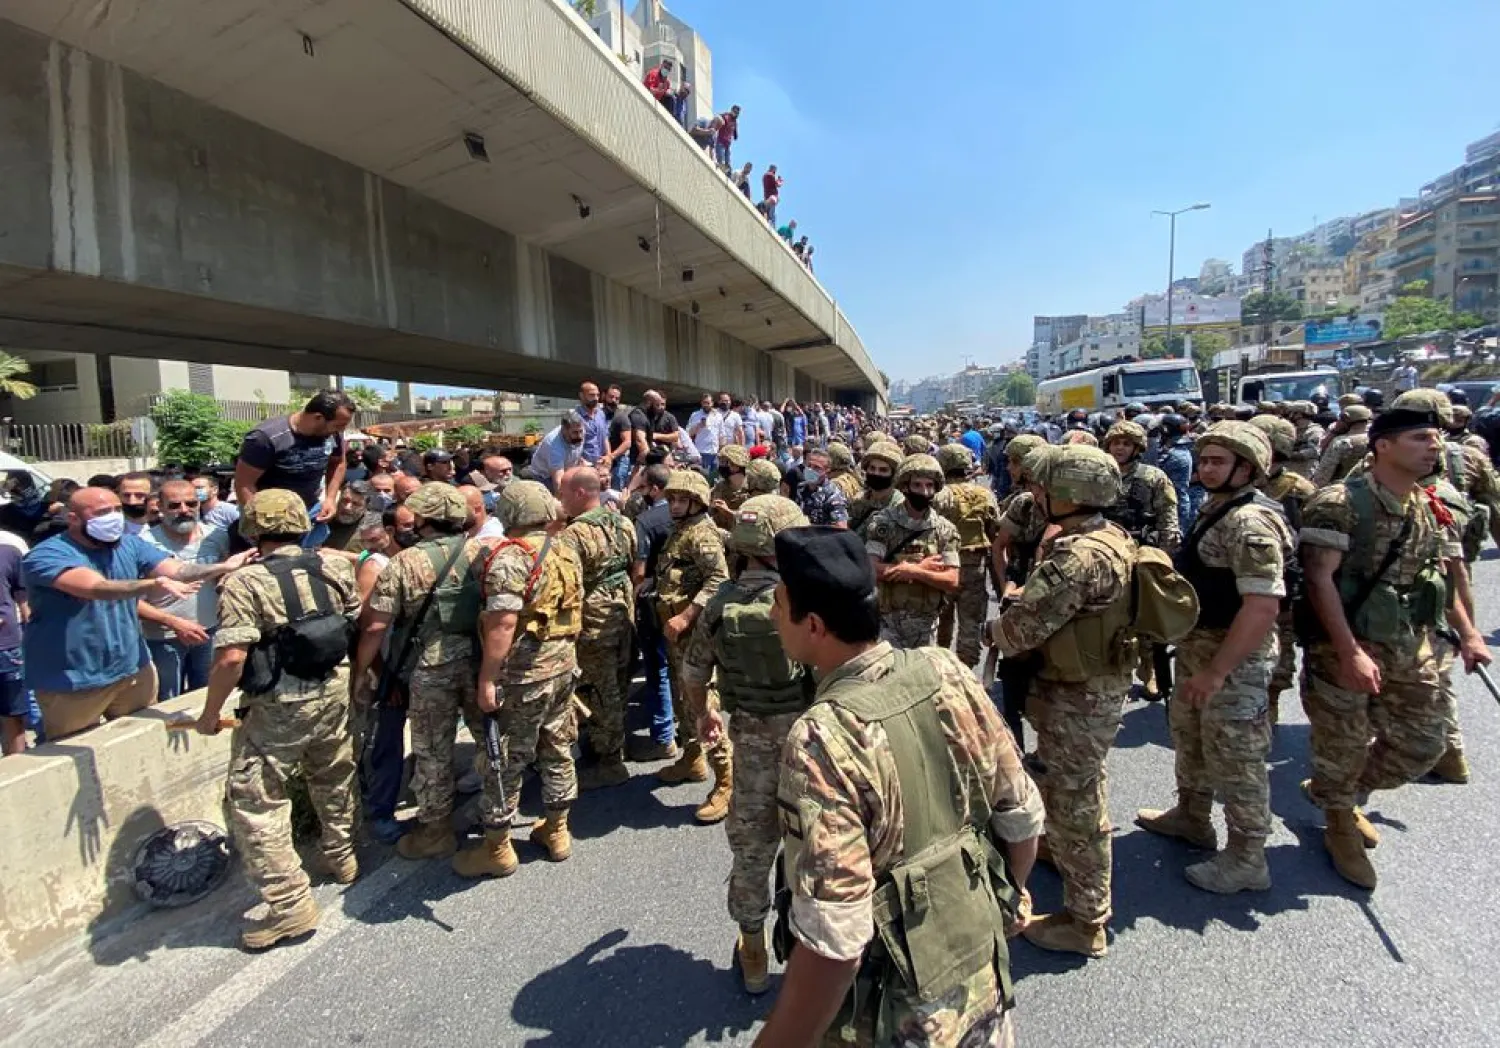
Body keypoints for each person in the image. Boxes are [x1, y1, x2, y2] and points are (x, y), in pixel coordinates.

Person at [757, 526, 1043, 1047]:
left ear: (815, 625)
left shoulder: (822, 736)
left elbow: (835, 940)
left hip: (895, 1014)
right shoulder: (945, 668)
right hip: (982, 979)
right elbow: (1020, 814)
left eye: (779, 604)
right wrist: (1006, 900)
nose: (773, 615)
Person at [1299, 402, 1490, 889]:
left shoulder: (1433, 504)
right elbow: (1320, 581)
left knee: (1425, 741)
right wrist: (1348, 651)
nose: (1434, 448)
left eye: (1436, 439)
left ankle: (1341, 792)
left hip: (1410, 641)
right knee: (1341, 742)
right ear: (1383, 445)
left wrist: (1468, 633)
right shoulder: (1340, 502)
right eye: (1420, 439)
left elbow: (1445, 576)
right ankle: (1339, 821)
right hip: (1346, 644)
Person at [983, 444, 1137, 958]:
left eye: (1045, 489)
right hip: (1091, 689)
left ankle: (1087, 919)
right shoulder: (1110, 537)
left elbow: (1020, 630)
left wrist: (994, 626)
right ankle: (1060, 853)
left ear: (1066, 495)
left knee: (1078, 804)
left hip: (1077, 699)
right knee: (1073, 788)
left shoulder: (1076, 557)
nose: (1038, 495)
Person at [190, 489, 357, 950]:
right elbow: (354, 624)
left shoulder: (245, 583)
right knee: (334, 773)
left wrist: (210, 713)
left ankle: (289, 905)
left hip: (279, 705)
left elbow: (231, 658)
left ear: (253, 530)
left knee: (254, 799)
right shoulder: (336, 565)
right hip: (334, 690)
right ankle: (342, 855)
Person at [1137, 422, 1291, 893]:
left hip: (1233, 660)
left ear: (1247, 468)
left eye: (1218, 461)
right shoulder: (1218, 508)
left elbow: (1263, 606)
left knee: (1238, 758)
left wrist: (1218, 672)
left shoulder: (1250, 522)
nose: (1205, 468)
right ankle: (1192, 816)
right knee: (1192, 737)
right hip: (1198, 647)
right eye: (1204, 460)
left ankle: (1247, 858)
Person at [679, 495, 810, 994]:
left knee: (753, 855)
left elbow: (694, 673)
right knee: (818, 849)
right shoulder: (807, 599)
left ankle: (753, 956)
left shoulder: (720, 602)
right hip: (810, 746)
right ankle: (818, 960)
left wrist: (704, 713)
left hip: (752, 752)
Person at [22, 487, 250, 740]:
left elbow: (179, 570)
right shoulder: (48, 555)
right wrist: (151, 584)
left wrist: (223, 566)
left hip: (133, 670)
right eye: (102, 512)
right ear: (73, 518)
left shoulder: (129, 544)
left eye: (116, 510)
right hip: (73, 680)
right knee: (73, 750)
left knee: (142, 740)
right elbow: (98, 588)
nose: (113, 517)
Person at [355, 483, 493, 861]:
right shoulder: (484, 551)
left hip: (430, 669)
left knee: (432, 750)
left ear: (425, 519)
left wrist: (361, 672)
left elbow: (375, 626)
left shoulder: (406, 562)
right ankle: (497, 821)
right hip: (480, 660)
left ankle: (436, 831)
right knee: (491, 741)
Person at [455, 481, 585, 875]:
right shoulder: (566, 550)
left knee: (504, 758)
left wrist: (487, 679)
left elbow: (503, 621)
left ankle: (497, 847)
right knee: (557, 746)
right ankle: (557, 830)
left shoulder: (512, 557)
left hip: (523, 674)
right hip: (563, 664)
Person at [653, 469, 733, 819]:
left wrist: (686, 616)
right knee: (683, 693)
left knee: (703, 703)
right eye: (671, 499)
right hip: (676, 632)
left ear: (696, 502)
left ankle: (726, 779)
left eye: (681, 499)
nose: (673, 504)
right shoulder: (681, 531)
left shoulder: (701, 534)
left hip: (695, 631)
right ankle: (693, 756)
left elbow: (719, 579)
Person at [558, 466, 637, 789]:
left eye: (563, 492)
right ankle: (615, 745)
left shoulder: (574, 534)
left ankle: (610, 761)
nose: (560, 499)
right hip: (622, 610)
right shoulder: (622, 521)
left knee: (599, 689)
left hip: (593, 618)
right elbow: (634, 563)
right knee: (616, 684)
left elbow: (569, 583)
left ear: (580, 493)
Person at [138, 478, 233, 700]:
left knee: (206, 697)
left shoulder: (216, 536)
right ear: (159, 508)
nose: (184, 510)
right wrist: (173, 622)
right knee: (167, 701)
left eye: (191, 504)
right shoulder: (142, 543)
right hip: (163, 639)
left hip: (208, 633)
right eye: (174, 505)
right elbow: (129, 599)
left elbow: (224, 580)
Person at [234, 390, 355, 548]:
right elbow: (244, 483)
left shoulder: (332, 434)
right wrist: (261, 521)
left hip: (309, 510)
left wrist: (331, 499)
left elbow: (338, 462)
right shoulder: (266, 438)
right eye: (338, 426)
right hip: (271, 518)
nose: (340, 432)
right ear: (318, 417)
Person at [866, 454, 959, 649]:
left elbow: (952, 580)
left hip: (926, 627)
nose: (924, 491)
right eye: (917, 485)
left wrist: (915, 571)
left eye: (929, 486)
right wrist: (917, 568)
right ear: (906, 487)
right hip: (888, 624)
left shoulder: (944, 529)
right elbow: (870, 568)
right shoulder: (885, 523)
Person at [933, 444, 1002, 668]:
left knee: (941, 620)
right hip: (975, 565)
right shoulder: (984, 495)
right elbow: (995, 534)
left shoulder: (937, 496)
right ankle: (966, 671)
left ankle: (941, 668)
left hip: (942, 566)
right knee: (970, 623)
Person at [630, 465, 679, 762]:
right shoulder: (690, 514)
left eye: (644, 487)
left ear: (655, 489)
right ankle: (686, 728)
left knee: (657, 668)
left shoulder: (646, 521)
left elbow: (639, 570)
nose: (642, 493)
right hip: (683, 602)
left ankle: (663, 738)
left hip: (654, 602)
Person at [0, 540, 26, 755]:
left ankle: (16, 763)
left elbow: (23, 596)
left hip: (8, 648)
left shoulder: (9, 553)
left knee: (13, 714)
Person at [847, 442, 903, 536]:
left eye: (883, 470)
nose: (876, 473)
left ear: (893, 474)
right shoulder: (859, 501)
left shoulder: (900, 506)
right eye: (872, 468)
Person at [527, 411, 587, 492]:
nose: (579, 436)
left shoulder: (579, 431)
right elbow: (558, 483)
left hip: (566, 470)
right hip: (545, 477)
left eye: (581, 431)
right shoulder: (553, 445)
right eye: (575, 432)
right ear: (564, 430)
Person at [796, 447, 849, 527]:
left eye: (817, 468)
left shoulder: (833, 495)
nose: (810, 470)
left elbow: (841, 527)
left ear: (827, 470)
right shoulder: (801, 488)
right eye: (809, 465)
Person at [709, 444, 752, 529]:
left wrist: (729, 512)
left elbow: (755, 519)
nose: (720, 466)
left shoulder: (753, 489)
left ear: (734, 465)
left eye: (722, 461)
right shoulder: (719, 487)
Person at [687, 394, 723, 474]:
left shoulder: (718, 416)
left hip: (715, 453)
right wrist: (698, 426)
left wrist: (721, 451)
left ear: (712, 403)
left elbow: (721, 435)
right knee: (702, 476)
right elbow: (688, 433)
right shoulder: (695, 415)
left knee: (713, 478)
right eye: (704, 403)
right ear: (701, 403)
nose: (706, 405)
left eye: (708, 403)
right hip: (700, 452)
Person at [576, 382, 610, 466]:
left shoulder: (601, 414)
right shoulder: (575, 417)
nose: (596, 398)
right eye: (591, 395)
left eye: (597, 395)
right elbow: (570, 445)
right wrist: (581, 461)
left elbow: (605, 437)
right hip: (584, 466)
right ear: (581, 395)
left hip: (602, 464)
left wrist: (608, 456)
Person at [118, 472, 154, 536]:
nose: (132, 501)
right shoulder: (111, 531)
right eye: (126, 495)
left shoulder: (167, 527)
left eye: (140, 495)